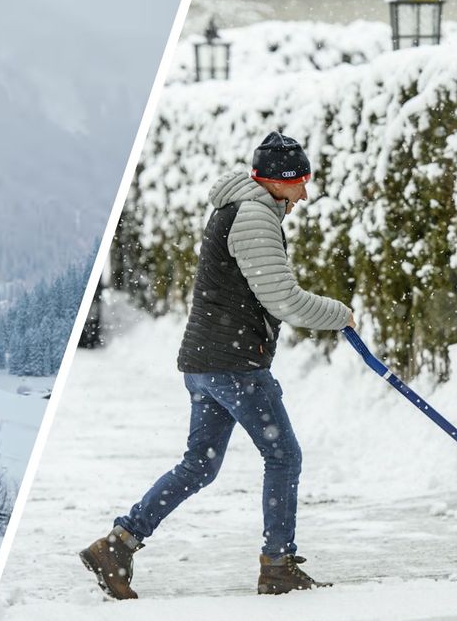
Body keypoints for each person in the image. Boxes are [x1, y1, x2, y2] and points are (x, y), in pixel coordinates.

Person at [79, 131, 354, 599]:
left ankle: (119, 543)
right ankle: (278, 566)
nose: (306, 192)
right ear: (280, 181)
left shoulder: (241, 208)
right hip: (235, 365)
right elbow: (283, 298)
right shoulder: (253, 217)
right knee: (283, 456)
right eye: (302, 182)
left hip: (208, 363)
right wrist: (339, 314)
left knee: (199, 465)